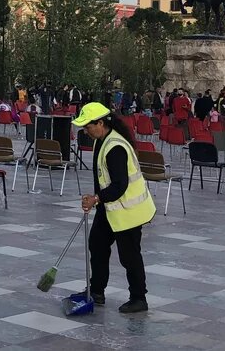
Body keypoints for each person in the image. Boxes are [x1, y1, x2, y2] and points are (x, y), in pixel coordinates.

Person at [74, 102, 155, 314]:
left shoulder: (116, 147)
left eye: (88, 126)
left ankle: (139, 297)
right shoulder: (101, 141)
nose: (85, 131)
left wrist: (96, 198)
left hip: (128, 210)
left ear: (100, 123)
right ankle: (97, 290)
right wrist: (95, 198)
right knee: (97, 245)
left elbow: (120, 186)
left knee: (129, 256)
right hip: (109, 207)